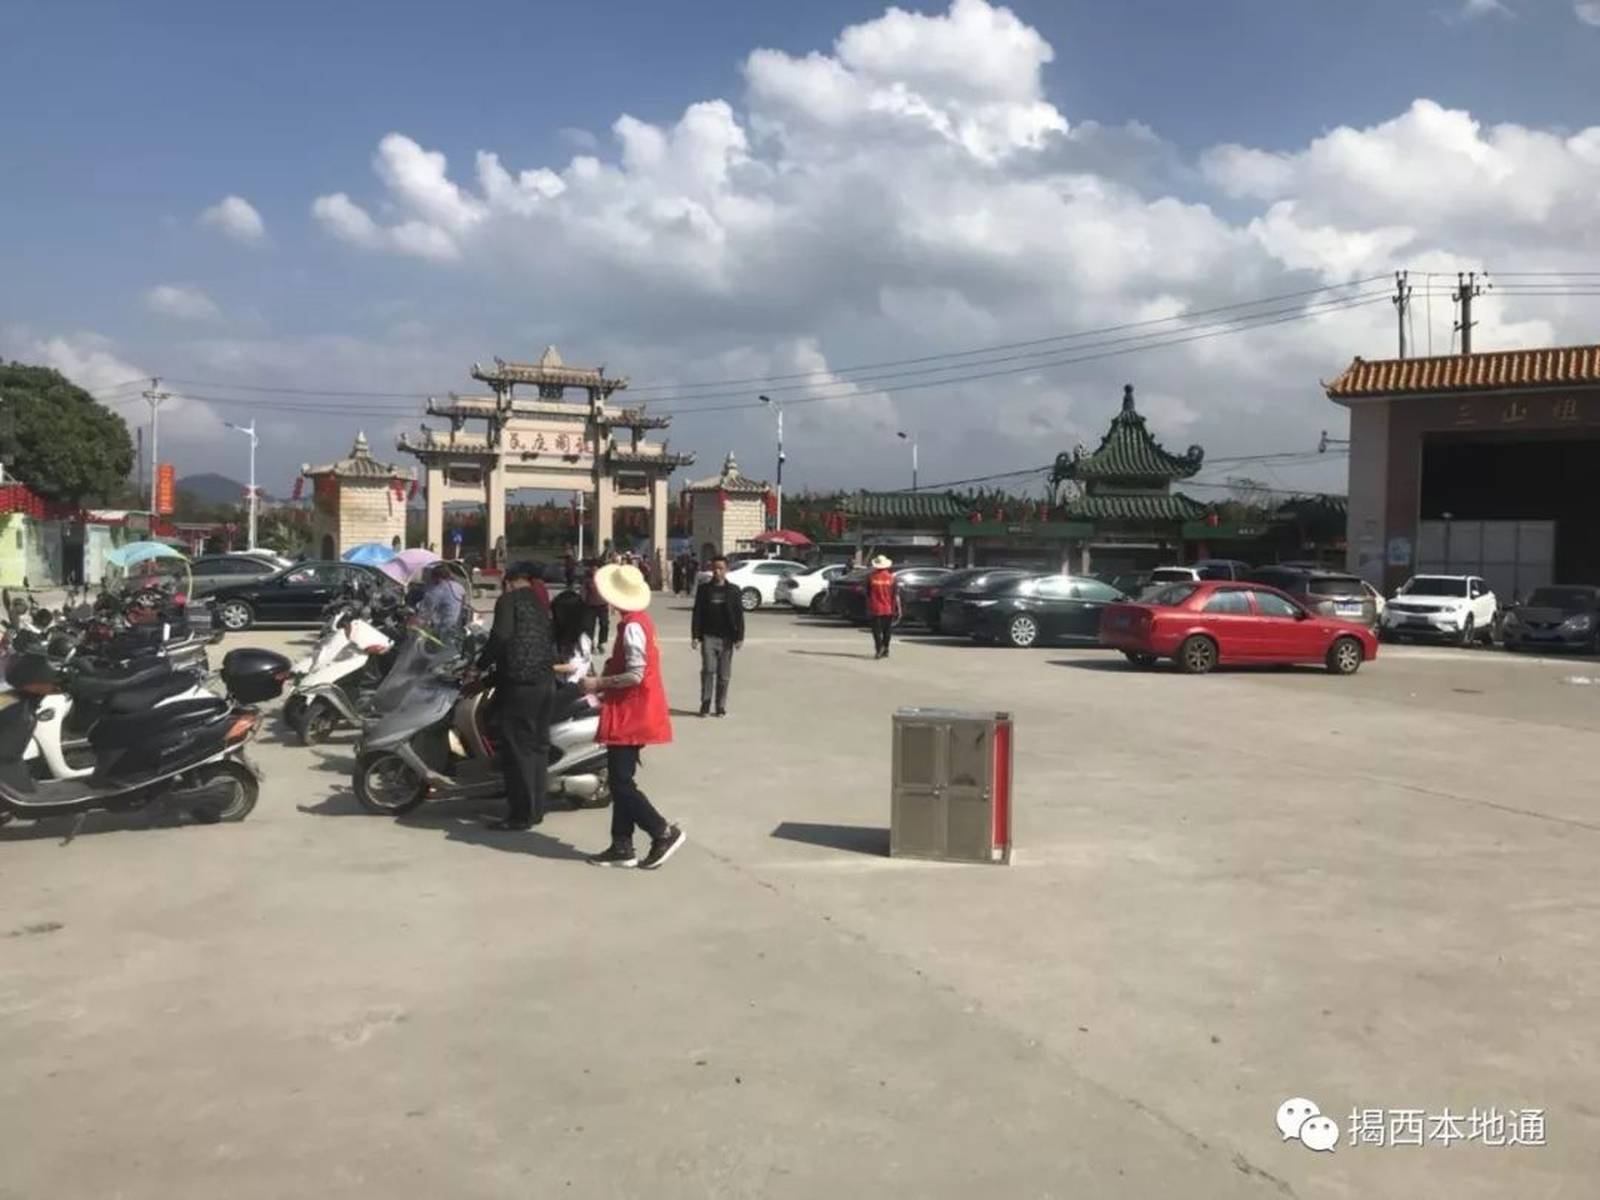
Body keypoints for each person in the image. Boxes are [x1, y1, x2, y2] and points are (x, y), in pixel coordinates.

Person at [580, 563, 684, 870]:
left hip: (632, 711)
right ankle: (621, 844)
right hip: (631, 709)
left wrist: (599, 683)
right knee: (620, 780)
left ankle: (661, 831)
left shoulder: (633, 627)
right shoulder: (637, 622)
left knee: (621, 783)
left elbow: (636, 674)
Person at [477, 561, 557, 831]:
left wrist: (479, 665)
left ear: (508, 582)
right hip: (546, 682)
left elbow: (500, 636)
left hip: (520, 684)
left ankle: (520, 815)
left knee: (517, 750)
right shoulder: (538, 603)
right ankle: (536, 810)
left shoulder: (508, 601)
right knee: (538, 748)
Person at [690, 555, 744, 717]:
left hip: (727, 638)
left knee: (724, 675)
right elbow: (697, 613)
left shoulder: (734, 590)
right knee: (708, 670)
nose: (717, 572)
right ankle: (705, 703)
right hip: (709, 636)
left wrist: (739, 637)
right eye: (714, 568)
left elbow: (739, 615)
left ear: (726, 570)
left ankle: (720, 706)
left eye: (721, 568)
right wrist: (695, 635)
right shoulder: (704, 590)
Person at [416, 563, 467, 646]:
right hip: (456, 625)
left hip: (442, 628)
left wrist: (417, 621)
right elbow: (463, 603)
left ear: (436, 577)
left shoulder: (436, 591)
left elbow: (424, 613)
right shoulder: (459, 586)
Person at [866, 554, 900, 659]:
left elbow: (868, 593)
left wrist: (868, 606)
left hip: (875, 608)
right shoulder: (892, 578)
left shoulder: (871, 578)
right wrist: (897, 608)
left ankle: (879, 648)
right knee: (887, 630)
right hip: (888, 608)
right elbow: (895, 594)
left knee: (876, 630)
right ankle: (886, 648)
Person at [583, 558, 611, 651]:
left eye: (596, 568)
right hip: (590, 606)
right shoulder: (587, 580)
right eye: (593, 568)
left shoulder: (604, 580)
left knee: (604, 624)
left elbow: (609, 592)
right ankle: (590, 643)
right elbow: (583, 593)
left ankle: (601, 643)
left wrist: (611, 604)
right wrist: (582, 603)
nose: (594, 570)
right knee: (589, 626)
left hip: (603, 605)